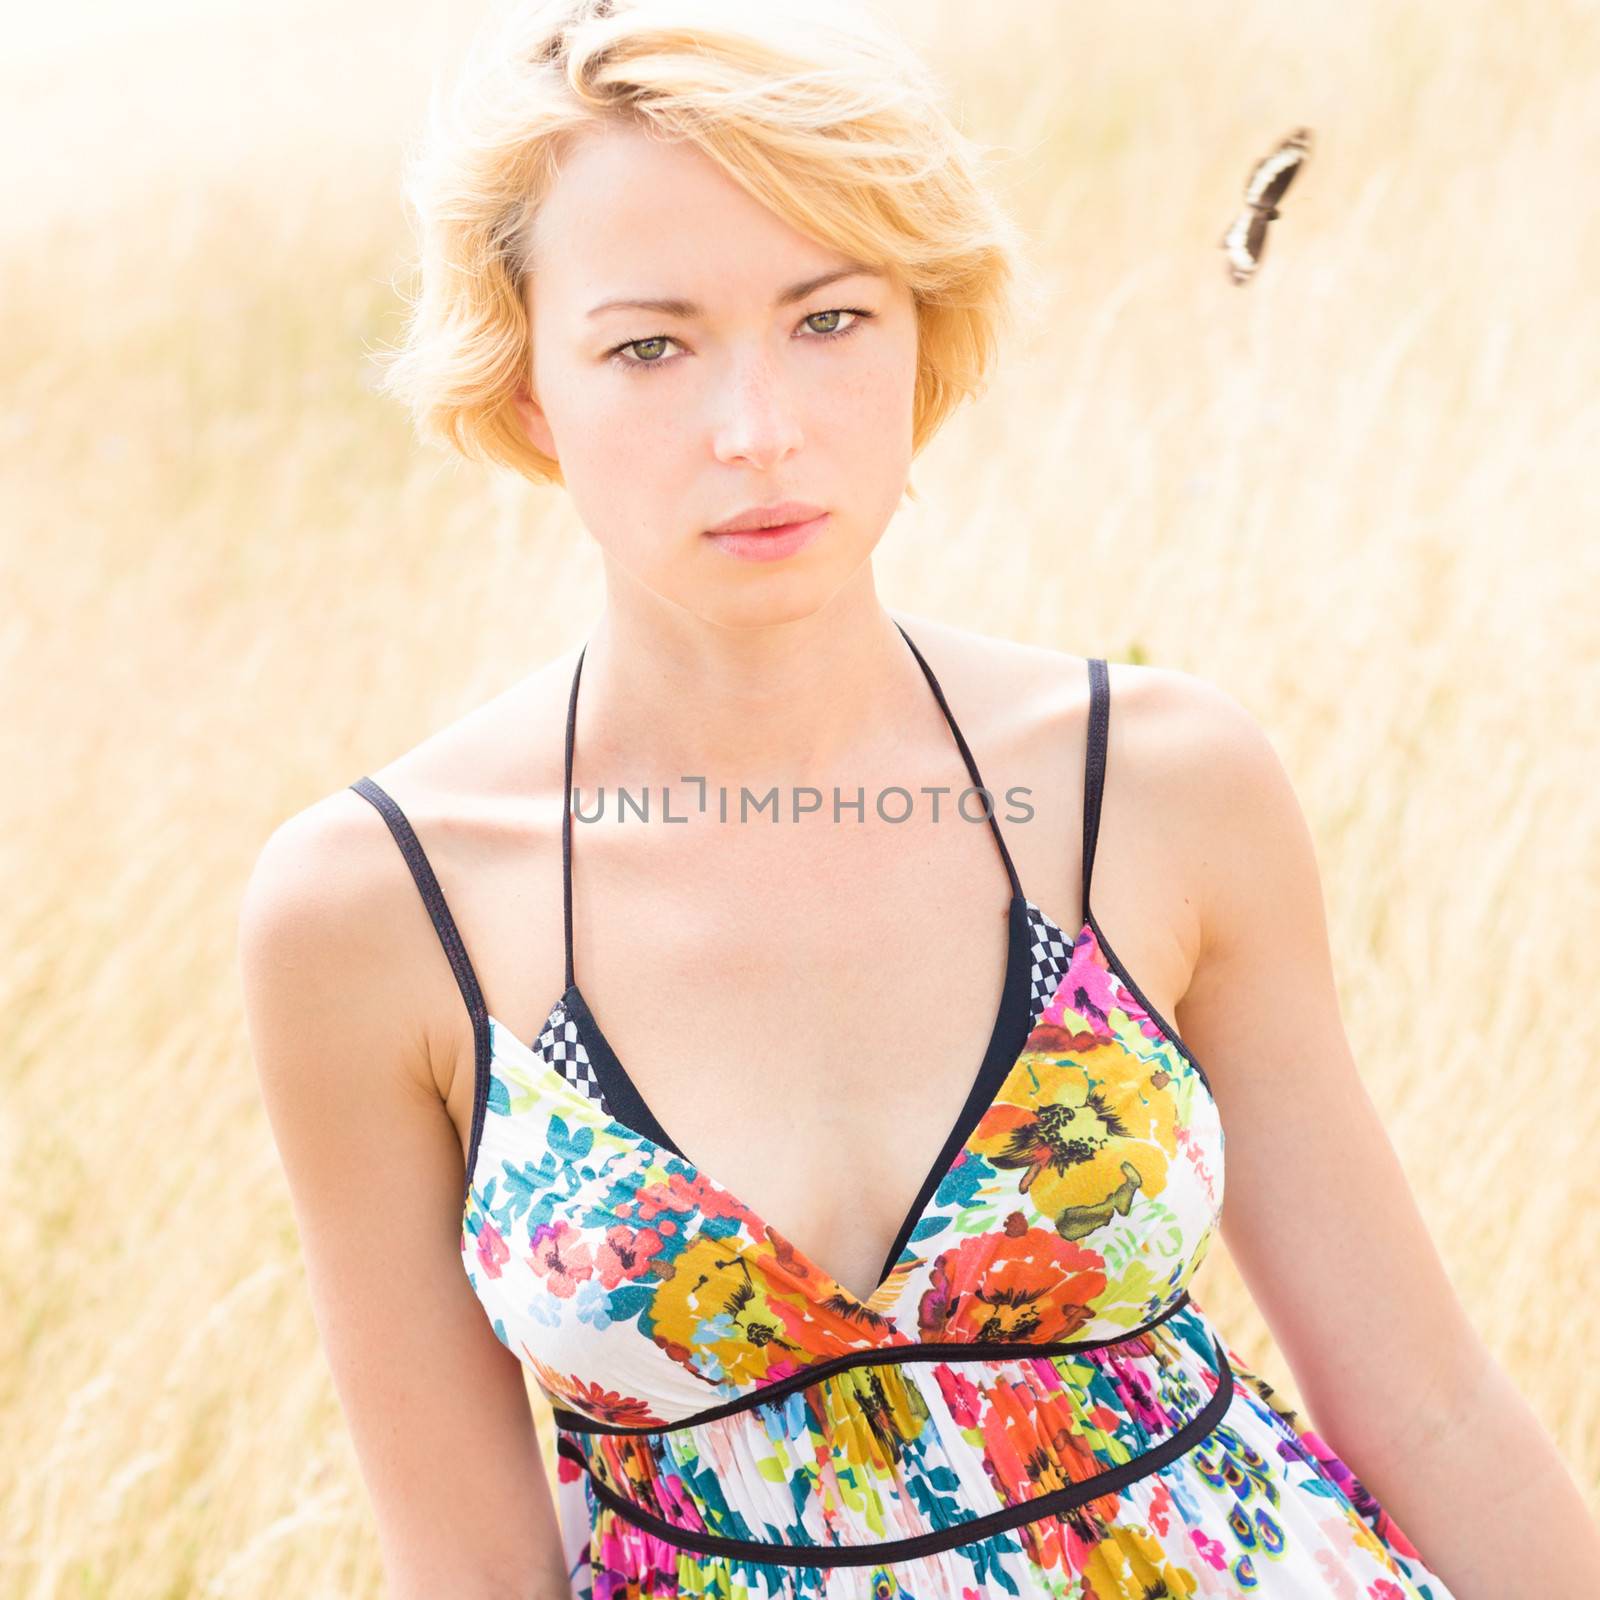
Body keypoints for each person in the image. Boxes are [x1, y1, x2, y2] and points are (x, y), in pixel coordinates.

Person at [238, 1, 1599, 1595]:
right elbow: (470, 1575)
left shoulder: (1150, 787)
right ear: (530, 389)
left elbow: (1430, 1410)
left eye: (829, 320)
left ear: (920, 335)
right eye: (648, 346)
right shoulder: (380, 912)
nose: (760, 432)